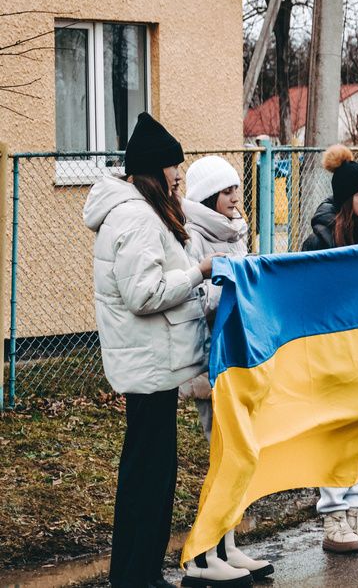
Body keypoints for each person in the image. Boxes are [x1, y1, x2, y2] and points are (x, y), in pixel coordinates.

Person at [84, 112, 228, 588]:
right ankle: (137, 576)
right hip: (149, 368)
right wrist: (199, 272)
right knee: (149, 479)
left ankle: (138, 572)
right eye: (173, 165)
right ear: (152, 168)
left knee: (149, 476)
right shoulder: (136, 217)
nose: (179, 173)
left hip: (153, 366)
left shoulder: (141, 213)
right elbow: (143, 294)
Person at [179, 156, 274, 584]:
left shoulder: (236, 234)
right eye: (228, 191)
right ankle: (203, 555)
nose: (237, 198)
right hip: (210, 364)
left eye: (238, 188)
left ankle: (228, 547)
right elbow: (193, 298)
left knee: (238, 456)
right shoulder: (193, 238)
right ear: (207, 197)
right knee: (222, 458)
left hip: (237, 360)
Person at [300, 144, 358, 554]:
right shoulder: (319, 243)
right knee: (337, 431)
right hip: (331, 351)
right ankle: (334, 515)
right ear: (344, 200)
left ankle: (356, 510)